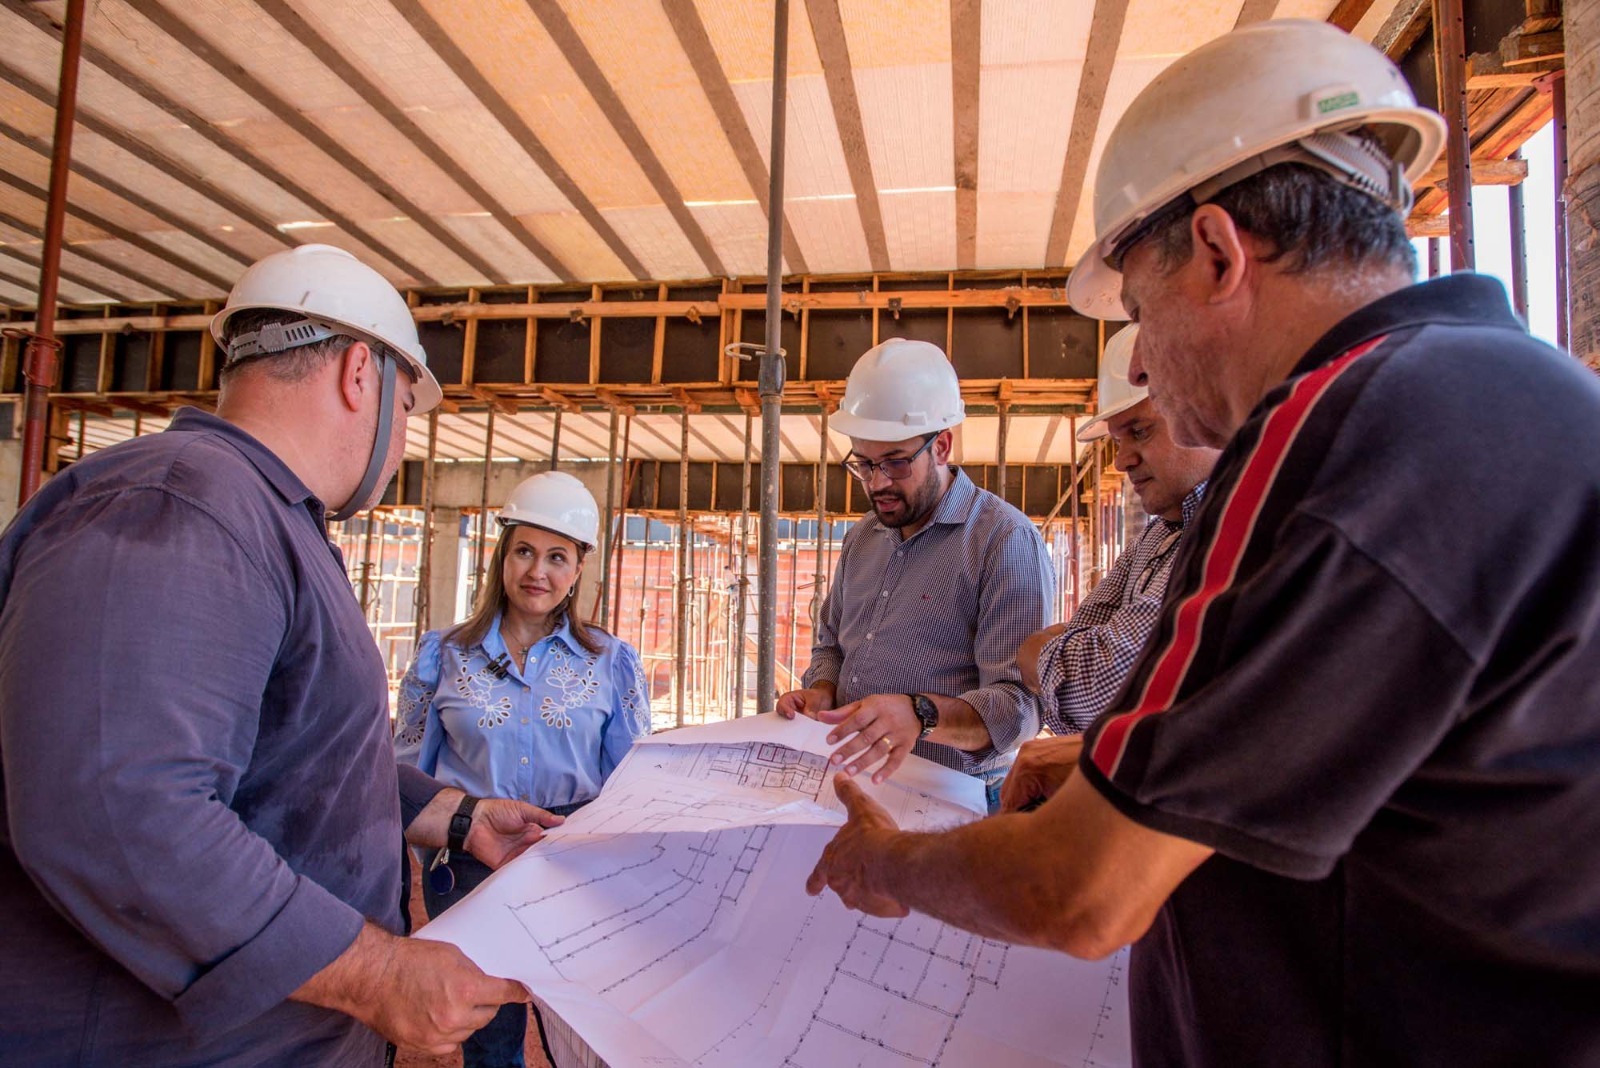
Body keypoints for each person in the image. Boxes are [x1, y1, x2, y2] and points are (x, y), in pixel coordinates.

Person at [804, 20, 1600, 1066]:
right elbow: (1369, 755)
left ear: (1219, 253)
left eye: (1139, 312)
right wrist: (1107, 757)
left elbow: (1082, 893)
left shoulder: (1340, 438)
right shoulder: (1477, 401)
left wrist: (891, 862)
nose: (1145, 377)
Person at [0, 244, 561, 1065]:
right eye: (407, 408)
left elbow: (296, 758)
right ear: (359, 375)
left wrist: (456, 814)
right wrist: (376, 976)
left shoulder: (262, 519)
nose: (403, 439)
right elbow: (121, 810)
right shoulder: (179, 506)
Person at [394, 469, 652, 1067]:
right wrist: (438, 857)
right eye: (525, 552)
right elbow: (405, 771)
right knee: (490, 1041)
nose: (538, 572)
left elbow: (632, 784)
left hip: (575, 868)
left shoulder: (613, 664)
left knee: (583, 1033)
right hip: (468, 865)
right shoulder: (442, 656)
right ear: (501, 558)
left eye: (557, 556)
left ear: (579, 567)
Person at [777, 338, 1056, 811]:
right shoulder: (863, 537)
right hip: (857, 783)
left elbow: (1021, 709)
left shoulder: (1002, 540)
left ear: (942, 446)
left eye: (895, 462)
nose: (877, 482)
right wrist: (821, 692)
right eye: (863, 463)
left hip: (954, 801)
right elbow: (830, 647)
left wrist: (921, 715)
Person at [1005, 325, 1218, 811]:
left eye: (1139, 431)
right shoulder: (1161, 531)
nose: (1121, 460)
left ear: (1199, 410)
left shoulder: (1233, 528)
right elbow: (1087, 637)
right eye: (1117, 438)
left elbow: (1093, 690)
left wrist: (1042, 651)